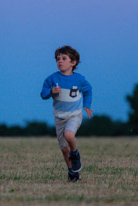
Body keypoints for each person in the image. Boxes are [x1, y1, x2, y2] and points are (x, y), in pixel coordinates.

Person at [40, 45, 93, 182]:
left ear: (73, 62)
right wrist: (51, 91)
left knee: (69, 134)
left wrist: (87, 105)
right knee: (64, 150)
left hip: (74, 114)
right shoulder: (52, 79)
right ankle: (73, 173)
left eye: (64, 58)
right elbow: (43, 94)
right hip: (59, 117)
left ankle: (75, 154)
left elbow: (88, 90)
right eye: (58, 59)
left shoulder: (79, 79)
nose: (60, 61)